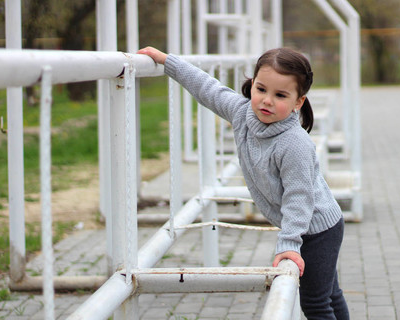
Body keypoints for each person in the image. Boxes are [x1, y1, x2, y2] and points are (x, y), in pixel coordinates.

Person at [137, 46, 350, 319]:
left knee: (317, 303)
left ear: (299, 101)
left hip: (318, 229)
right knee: (329, 294)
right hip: (304, 226)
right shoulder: (241, 113)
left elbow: (299, 198)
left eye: (280, 95)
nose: (267, 101)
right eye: (261, 89)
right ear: (252, 86)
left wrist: (288, 244)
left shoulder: (295, 144)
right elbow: (207, 88)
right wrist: (168, 62)